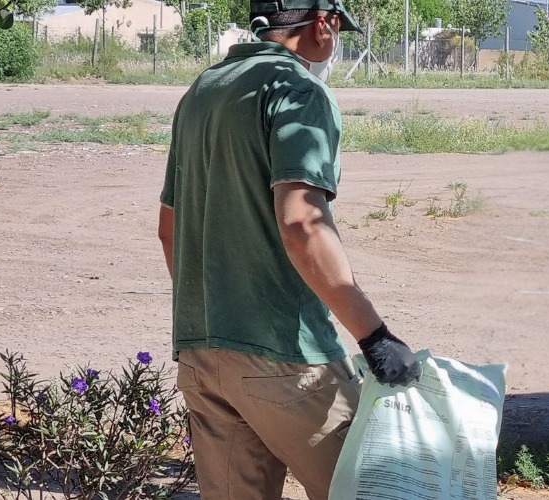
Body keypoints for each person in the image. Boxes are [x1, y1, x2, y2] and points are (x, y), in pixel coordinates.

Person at [157, 1, 422, 498]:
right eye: (338, 26)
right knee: (374, 489)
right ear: (323, 22)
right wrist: (376, 337)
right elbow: (301, 221)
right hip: (285, 357)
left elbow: (169, 228)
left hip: (202, 354)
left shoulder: (202, 91)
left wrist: (215, 317)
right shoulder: (298, 91)